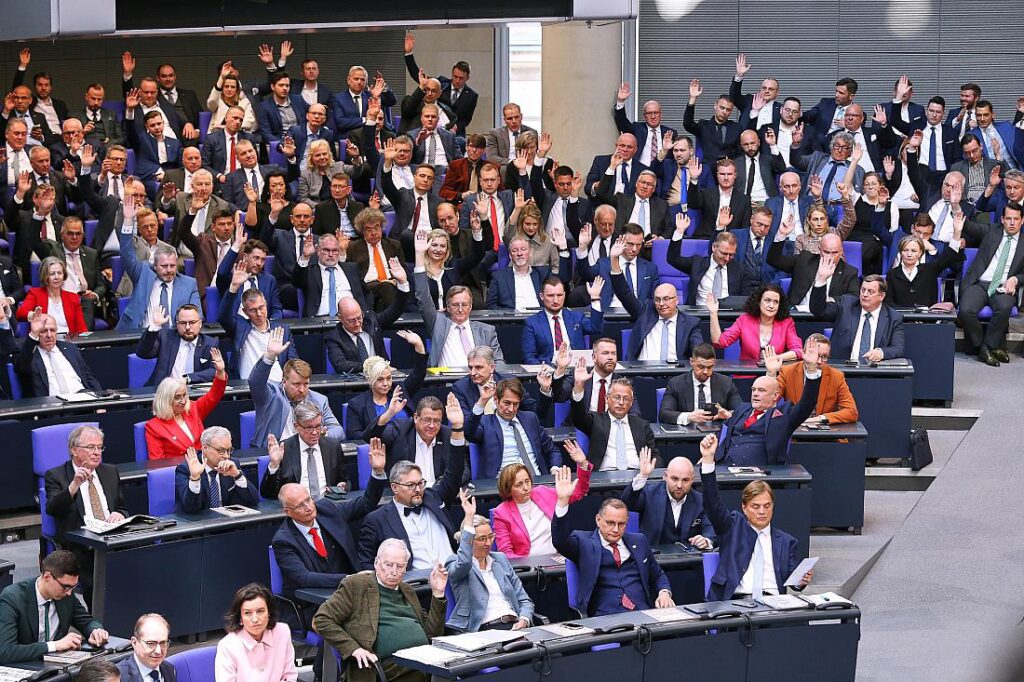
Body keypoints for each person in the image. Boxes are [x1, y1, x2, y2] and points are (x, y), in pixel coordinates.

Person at [271, 439, 387, 628]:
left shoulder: (326, 509)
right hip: (313, 604)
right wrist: (349, 579)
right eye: (300, 506)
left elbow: (366, 503)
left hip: (352, 596)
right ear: (288, 512)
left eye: (308, 500)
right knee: (358, 625)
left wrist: (378, 472)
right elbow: (304, 578)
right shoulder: (284, 540)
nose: (309, 507)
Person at [358, 394, 467, 570]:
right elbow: (366, 565)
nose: (432, 426)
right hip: (415, 584)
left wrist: (457, 427)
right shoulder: (378, 519)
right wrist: (389, 413)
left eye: (420, 483)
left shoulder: (433, 498)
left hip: (453, 575)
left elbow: (455, 472)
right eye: (411, 485)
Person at [313, 540, 448, 682]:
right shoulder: (357, 585)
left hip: (421, 658)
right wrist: (353, 648)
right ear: (377, 563)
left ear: (405, 569)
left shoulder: (407, 590)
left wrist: (438, 593)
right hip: (385, 667)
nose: (394, 572)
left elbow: (433, 634)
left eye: (400, 566)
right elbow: (322, 619)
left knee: (461, 668)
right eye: (388, 565)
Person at [698, 433, 813, 600]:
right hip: (736, 606)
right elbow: (712, 503)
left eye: (767, 506)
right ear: (744, 508)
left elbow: (793, 581)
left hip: (773, 605)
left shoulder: (787, 542)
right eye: (755, 506)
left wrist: (801, 581)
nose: (762, 511)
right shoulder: (732, 527)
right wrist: (708, 460)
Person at [553, 493, 673, 617]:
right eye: (610, 523)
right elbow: (560, 541)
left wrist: (664, 593)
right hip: (605, 617)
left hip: (643, 613)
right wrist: (562, 502)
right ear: (598, 520)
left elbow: (657, 575)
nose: (616, 529)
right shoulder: (584, 542)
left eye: (621, 524)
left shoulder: (639, 541)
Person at [42, 425, 125, 601]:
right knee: (96, 578)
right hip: (81, 545)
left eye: (99, 447)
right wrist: (74, 486)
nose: (97, 452)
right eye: (90, 447)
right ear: (74, 450)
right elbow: (52, 509)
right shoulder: (56, 475)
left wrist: (120, 514)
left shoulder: (110, 472)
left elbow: (122, 506)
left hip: (113, 537)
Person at [713, 343, 822, 466]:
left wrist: (812, 369)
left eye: (761, 391)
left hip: (759, 475)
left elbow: (807, 404)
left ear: (776, 396)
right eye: (754, 389)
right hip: (725, 468)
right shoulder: (741, 409)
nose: (755, 394)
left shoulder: (783, 415)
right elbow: (722, 435)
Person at [445, 490, 535, 632]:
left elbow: (523, 599)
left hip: (514, 625)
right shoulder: (455, 562)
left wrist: (524, 619)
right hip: (484, 629)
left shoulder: (500, 559)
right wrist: (469, 518)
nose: (488, 543)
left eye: (490, 536)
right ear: (467, 541)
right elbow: (464, 562)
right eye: (481, 539)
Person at [0, 550, 108, 664]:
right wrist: (54, 646)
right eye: (66, 587)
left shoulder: (65, 595)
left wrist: (95, 631)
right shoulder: (12, 598)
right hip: (25, 666)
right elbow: (5, 652)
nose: (69, 593)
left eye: (73, 587)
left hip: (55, 666)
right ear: (47, 577)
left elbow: (86, 622)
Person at [491, 441, 591, 559]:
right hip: (529, 568)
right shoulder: (501, 513)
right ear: (508, 489)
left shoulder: (543, 492)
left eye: (527, 481)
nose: (526, 487)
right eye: (519, 485)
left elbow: (579, 492)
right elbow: (506, 553)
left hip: (557, 559)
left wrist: (583, 464)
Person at [116, 195, 200, 332]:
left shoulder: (189, 284)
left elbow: (197, 317)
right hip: (140, 334)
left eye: (172, 266)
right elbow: (126, 253)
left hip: (173, 337)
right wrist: (127, 220)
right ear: (154, 266)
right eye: (164, 266)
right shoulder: (143, 273)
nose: (169, 270)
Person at [610, 236, 701, 361]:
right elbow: (624, 293)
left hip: (675, 376)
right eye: (657, 299)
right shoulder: (645, 312)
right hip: (643, 375)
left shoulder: (691, 323)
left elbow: (699, 352)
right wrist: (614, 259)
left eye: (667, 298)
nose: (662, 303)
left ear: (677, 300)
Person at [250, 328, 344, 447]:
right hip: (276, 453)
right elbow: (255, 382)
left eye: (306, 384)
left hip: (306, 453)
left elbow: (338, 431)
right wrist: (269, 357)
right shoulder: (271, 395)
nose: (302, 390)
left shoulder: (319, 400)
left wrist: (323, 434)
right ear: (284, 382)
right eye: (296, 384)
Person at [958, 202, 1024, 366]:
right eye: (1008, 218)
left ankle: (986, 347)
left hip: (1003, 287)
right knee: (966, 310)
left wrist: (1016, 279)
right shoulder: (991, 232)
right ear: (1002, 219)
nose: (1011, 223)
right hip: (980, 283)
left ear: (1022, 220)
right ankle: (985, 347)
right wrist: (955, 206)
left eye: (1015, 219)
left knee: (1004, 307)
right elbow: (969, 226)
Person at [466, 378, 560, 478]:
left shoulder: (530, 418)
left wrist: (555, 469)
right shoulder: (485, 422)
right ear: (496, 400)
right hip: (503, 485)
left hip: (537, 482)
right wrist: (482, 401)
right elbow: (469, 433)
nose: (511, 409)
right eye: (506, 403)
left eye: (516, 404)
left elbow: (552, 450)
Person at [621, 449, 716, 548]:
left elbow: (710, 528)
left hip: (690, 559)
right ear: (665, 476)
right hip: (654, 558)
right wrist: (642, 476)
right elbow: (627, 503)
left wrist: (706, 540)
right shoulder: (649, 494)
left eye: (685, 480)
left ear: (693, 479)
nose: (679, 485)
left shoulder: (701, 501)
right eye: (674, 479)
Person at [569, 364, 656, 471]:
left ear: (631, 403)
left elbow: (655, 455)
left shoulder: (642, 425)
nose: (621, 402)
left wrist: (651, 468)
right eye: (617, 397)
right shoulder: (596, 421)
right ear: (607, 399)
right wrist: (579, 387)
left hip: (637, 476)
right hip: (605, 479)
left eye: (626, 399)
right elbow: (578, 417)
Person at [145, 348, 227, 459]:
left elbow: (215, 394)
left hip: (205, 465)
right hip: (180, 472)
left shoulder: (193, 409)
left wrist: (220, 371)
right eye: (177, 398)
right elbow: (158, 463)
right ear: (165, 399)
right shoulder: (154, 427)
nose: (183, 401)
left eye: (184, 395)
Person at [415, 263, 502, 368]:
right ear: (448, 307)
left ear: (470, 307)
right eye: (455, 305)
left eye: (464, 305)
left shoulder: (487, 331)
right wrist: (419, 256)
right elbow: (423, 299)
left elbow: (498, 362)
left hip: (479, 381)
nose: (460, 309)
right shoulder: (438, 325)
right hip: (447, 382)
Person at [811, 269, 906, 363]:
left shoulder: (893, 317)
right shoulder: (846, 304)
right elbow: (819, 310)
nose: (864, 294)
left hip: (874, 372)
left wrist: (881, 352)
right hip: (842, 370)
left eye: (870, 292)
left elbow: (898, 348)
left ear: (881, 296)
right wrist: (821, 281)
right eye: (863, 290)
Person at [347, 331, 428, 441]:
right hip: (381, 449)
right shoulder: (357, 404)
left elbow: (419, 373)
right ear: (370, 379)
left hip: (409, 446)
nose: (386, 383)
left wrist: (419, 345)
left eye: (388, 378)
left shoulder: (400, 390)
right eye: (380, 379)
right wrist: (388, 415)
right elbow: (355, 437)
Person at [260, 400, 348, 500]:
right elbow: (267, 494)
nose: (315, 432)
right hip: (298, 509)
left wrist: (343, 485)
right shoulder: (284, 449)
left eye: (318, 426)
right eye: (309, 428)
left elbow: (345, 480)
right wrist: (274, 464)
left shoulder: (333, 446)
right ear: (296, 426)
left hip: (328, 505)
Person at [766, 335, 859, 426]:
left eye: (824, 356)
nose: (818, 361)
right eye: (814, 355)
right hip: (795, 433)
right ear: (804, 353)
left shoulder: (836, 376)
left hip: (825, 435)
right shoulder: (787, 372)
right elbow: (769, 403)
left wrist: (820, 419)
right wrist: (771, 374)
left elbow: (851, 412)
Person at [215, 582, 297, 682]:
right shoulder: (228, 646)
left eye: (260, 611)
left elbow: (290, 676)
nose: (255, 619)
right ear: (240, 617)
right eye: (248, 613)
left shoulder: (282, 632)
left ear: (269, 613)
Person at [325, 280, 408, 374]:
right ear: (340, 318)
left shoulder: (371, 320)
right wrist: (371, 366)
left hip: (383, 379)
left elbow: (396, 309)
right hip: (357, 384)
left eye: (359, 317)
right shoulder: (334, 337)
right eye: (351, 320)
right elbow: (340, 365)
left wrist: (403, 284)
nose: (357, 323)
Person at [404, 32, 479, 135]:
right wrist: (408, 54)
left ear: (467, 78)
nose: (457, 80)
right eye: (455, 76)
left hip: (455, 131)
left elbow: (466, 120)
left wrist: (453, 128)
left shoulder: (471, 95)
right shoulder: (441, 83)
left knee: (460, 142)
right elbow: (418, 76)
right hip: (433, 126)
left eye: (461, 78)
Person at [219, 286, 298, 382]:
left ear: (266, 304)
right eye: (253, 310)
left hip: (278, 386)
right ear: (245, 311)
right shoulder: (240, 327)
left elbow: (293, 361)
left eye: (261, 307)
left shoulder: (282, 330)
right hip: (249, 387)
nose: (259, 313)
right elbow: (223, 316)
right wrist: (233, 287)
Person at [15, 312, 102, 398]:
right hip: (53, 405)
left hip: (82, 398)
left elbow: (89, 377)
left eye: (52, 330)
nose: (49, 335)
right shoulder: (29, 352)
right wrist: (33, 335)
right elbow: (22, 368)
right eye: (43, 331)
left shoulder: (70, 348)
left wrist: (100, 401)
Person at [767, 232, 861, 312]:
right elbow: (774, 260)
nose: (830, 257)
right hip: (797, 315)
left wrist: (832, 300)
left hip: (827, 318)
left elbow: (854, 297)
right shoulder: (804, 260)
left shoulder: (849, 272)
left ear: (841, 252)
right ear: (819, 249)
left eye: (835, 253)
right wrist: (781, 236)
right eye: (826, 252)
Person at [453, 345, 552, 420]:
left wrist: (545, 389)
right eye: (470, 367)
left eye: (478, 367)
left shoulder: (509, 382)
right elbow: (466, 423)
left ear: (492, 367)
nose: (473, 372)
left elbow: (536, 413)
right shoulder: (460, 388)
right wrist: (482, 401)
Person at [708, 283, 803, 362]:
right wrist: (713, 314)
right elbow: (719, 342)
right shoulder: (744, 320)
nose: (771, 305)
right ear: (758, 302)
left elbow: (798, 350)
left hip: (775, 376)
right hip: (747, 376)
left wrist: (777, 358)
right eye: (767, 300)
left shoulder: (786, 323)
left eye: (776, 302)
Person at [412, 222, 487, 320]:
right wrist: (431, 313)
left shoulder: (453, 267)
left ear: (447, 250)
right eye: (434, 245)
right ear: (427, 247)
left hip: (451, 321)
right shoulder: (418, 270)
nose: (438, 250)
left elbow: (478, 255)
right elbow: (410, 305)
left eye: (442, 246)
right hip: (425, 321)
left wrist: (476, 231)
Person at [175, 427, 259, 513]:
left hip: (228, 522)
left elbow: (254, 501)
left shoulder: (232, 464)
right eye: (221, 451)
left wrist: (237, 475)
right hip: (201, 523)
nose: (227, 456)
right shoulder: (186, 469)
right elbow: (191, 509)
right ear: (205, 447)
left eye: (229, 450)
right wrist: (195, 478)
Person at [521, 276, 604, 364]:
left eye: (559, 295)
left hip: (576, 370)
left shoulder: (576, 317)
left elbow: (595, 327)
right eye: (550, 296)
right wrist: (543, 371)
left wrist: (595, 299)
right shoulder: (532, 323)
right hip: (549, 371)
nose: (555, 300)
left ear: (564, 295)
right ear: (542, 296)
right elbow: (529, 356)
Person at [666, 218, 748, 307]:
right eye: (724, 253)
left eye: (731, 255)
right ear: (714, 247)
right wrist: (679, 232)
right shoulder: (697, 264)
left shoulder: (740, 269)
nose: (727, 258)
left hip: (728, 316)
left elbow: (744, 299)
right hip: (700, 315)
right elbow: (673, 259)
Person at [579, 223, 659, 311]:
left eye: (638, 245)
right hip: (609, 314)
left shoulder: (650, 268)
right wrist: (583, 247)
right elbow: (585, 273)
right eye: (630, 244)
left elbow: (654, 297)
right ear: (621, 240)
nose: (634, 249)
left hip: (639, 316)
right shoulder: (604, 264)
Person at [44, 217, 106, 330]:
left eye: (78, 234)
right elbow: (35, 241)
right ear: (62, 235)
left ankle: (84, 341)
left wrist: (94, 295)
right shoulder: (53, 251)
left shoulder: (91, 254)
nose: (74, 237)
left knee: (87, 303)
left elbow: (101, 285)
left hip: (84, 301)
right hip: (60, 300)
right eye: (70, 233)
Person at [658, 343, 742, 425]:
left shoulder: (726, 383)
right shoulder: (676, 384)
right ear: (691, 361)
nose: (706, 372)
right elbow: (664, 414)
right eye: (701, 367)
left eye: (710, 367)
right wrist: (689, 417)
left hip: (717, 435)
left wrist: (728, 414)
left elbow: (741, 412)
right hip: (687, 437)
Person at [292, 232, 368, 317]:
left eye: (334, 250)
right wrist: (305, 257)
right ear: (318, 250)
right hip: (320, 322)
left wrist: (366, 313)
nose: (331, 255)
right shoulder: (310, 271)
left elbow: (366, 293)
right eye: (326, 250)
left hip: (352, 321)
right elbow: (297, 282)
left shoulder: (351, 269)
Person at [345, 208, 404, 312]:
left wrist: (397, 279)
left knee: (383, 301)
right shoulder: (353, 247)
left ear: (382, 227)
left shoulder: (394, 245)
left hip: (391, 285)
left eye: (377, 228)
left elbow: (403, 269)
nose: (374, 233)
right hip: (367, 287)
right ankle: (399, 319)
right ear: (362, 231)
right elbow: (349, 274)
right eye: (369, 229)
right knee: (386, 286)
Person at [885, 231, 965, 308]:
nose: (909, 254)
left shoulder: (929, 269)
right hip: (900, 318)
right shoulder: (892, 274)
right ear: (900, 252)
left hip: (926, 319)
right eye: (905, 250)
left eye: (913, 251)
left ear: (920, 253)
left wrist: (957, 232)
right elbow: (888, 301)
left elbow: (948, 257)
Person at [16, 256, 87, 336]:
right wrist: (35, 315)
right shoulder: (35, 294)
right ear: (45, 276)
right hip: (46, 341)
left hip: (69, 342)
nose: (57, 277)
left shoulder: (73, 297)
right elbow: (20, 313)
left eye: (60, 273)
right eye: (52, 274)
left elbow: (82, 328)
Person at [613, 82, 677, 168]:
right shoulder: (637, 128)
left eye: (656, 113)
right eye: (649, 113)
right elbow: (622, 124)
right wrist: (620, 101)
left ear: (661, 114)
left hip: (662, 175)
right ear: (644, 116)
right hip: (640, 173)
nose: (653, 116)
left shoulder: (670, 133)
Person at [683, 79, 742, 171]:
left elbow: (740, 152)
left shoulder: (736, 128)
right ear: (715, 106)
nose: (724, 112)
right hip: (707, 170)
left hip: (728, 171)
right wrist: (693, 98)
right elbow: (687, 124)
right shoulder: (704, 125)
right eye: (722, 108)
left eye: (728, 109)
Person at [116, 613, 176, 682]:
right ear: (134, 643)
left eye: (163, 643)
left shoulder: (169, 669)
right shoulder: (117, 677)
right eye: (151, 643)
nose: (158, 651)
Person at [485, 103, 536, 169]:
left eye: (516, 117)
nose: (514, 121)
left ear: (521, 117)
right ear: (505, 120)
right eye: (510, 118)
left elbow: (535, 154)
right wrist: (514, 162)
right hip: (506, 167)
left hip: (527, 167)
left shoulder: (531, 132)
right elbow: (492, 157)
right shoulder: (495, 134)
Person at [207, 69, 257, 134]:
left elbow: (248, 124)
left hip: (238, 136)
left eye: (233, 87)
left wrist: (223, 127)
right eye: (226, 86)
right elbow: (211, 102)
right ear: (222, 88)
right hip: (216, 136)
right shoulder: (217, 101)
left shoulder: (245, 102)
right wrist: (221, 77)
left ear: (237, 90)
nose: (229, 89)